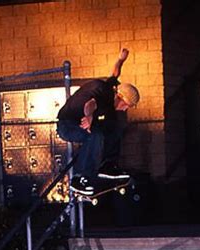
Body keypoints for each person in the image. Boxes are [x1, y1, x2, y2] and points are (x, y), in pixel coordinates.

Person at [57, 48, 140, 196]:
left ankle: (107, 165)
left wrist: (121, 59)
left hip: (83, 122)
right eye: (126, 105)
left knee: (115, 128)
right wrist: (89, 117)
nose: (126, 109)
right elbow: (91, 104)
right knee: (95, 135)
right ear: (120, 97)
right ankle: (80, 178)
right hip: (67, 124)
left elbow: (115, 73)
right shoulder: (104, 92)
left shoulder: (111, 87)